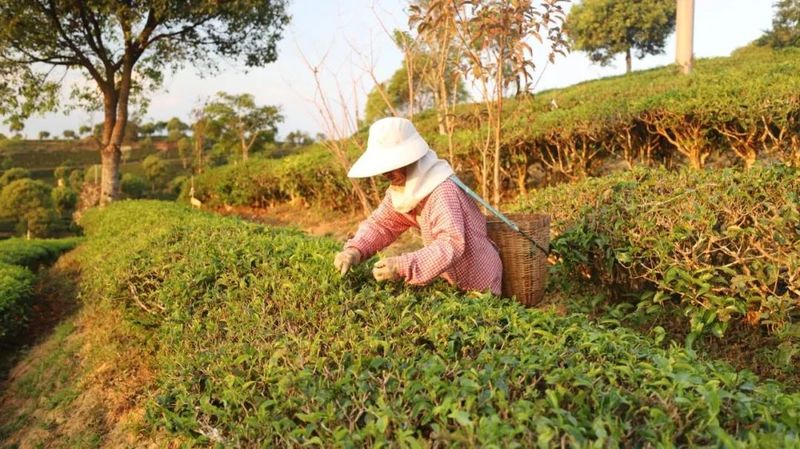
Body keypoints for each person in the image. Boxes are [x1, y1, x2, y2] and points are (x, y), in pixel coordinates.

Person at [333, 117, 502, 295]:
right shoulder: (405, 187)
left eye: (392, 166)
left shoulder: (442, 190)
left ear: (411, 160)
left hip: (478, 281)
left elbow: (450, 244)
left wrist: (402, 265)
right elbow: (382, 224)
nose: (386, 174)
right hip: (450, 278)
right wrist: (354, 250)